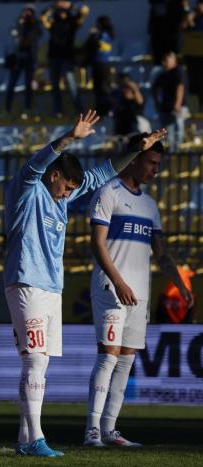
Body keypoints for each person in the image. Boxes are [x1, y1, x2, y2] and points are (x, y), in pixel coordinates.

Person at [4, 110, 167, 457]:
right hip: (26, 282)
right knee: (34, 361)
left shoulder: (62, 197)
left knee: (40, 362)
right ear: (55, 175)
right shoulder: (27, 189)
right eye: (65, 188)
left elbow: (106, 171)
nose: (66, 196)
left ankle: (24, 438)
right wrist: (69, 138)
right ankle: (35, 439)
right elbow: (37, 163)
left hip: (51, 288)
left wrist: (137, 150)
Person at [83, 132, 194, 448]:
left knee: (126, 361)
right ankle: (92, 430)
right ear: (135, 159)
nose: (156, 170)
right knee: (108, 357)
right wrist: (118, 281)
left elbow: (160, 253)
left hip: (139, 294)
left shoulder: (150, 205)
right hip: (111, 287)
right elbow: (97, 243)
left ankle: (110, 429)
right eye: (151, 162)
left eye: (158, 164)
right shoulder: (108, 193)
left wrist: (181, 285)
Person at [40, 1, 88, 116]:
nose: (61, 13)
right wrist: (53, 6)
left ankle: (80, 110)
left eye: (63, 11)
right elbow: (42, 16)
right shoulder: (53, 24)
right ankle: (58, 110)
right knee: (55, 86)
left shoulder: (73, 23)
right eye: (59, 11)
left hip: (66, 57)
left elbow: (85, 11)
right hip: (53, 57)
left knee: (71, 85)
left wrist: (70, 6)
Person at [5, 5, 41, 118]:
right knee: (11, 85)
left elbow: (39, 34)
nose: (27, 15)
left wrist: (34, 23)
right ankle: (7, 109)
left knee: (28, 86)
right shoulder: (18, 24)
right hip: (17, 59)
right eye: (26, 12)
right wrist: (19, 23)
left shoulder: (35, 25)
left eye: (30, 13)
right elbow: (12, 32)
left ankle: (27, 109)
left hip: (29, 59)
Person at [151, 51, 188, 151]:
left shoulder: (178, 72)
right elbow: (153, 89)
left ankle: (177, 155)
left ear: (173, 60)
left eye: (166, 60)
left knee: (178, 132)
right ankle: (169, 156)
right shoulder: (163, 74)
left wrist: (177, 104)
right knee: (167, 135)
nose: (164, 63)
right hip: (166, 109)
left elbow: (180, 87)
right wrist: (157, 104)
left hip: (177, 108)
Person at [85, 16, 116, 116]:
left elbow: (93, 45)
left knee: (102, 87)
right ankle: (102, 108)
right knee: (100, 87)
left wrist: (92, 34)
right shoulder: (108, 34)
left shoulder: (101, 34)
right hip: (101, 63)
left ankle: (104, 109)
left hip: (101, 63)